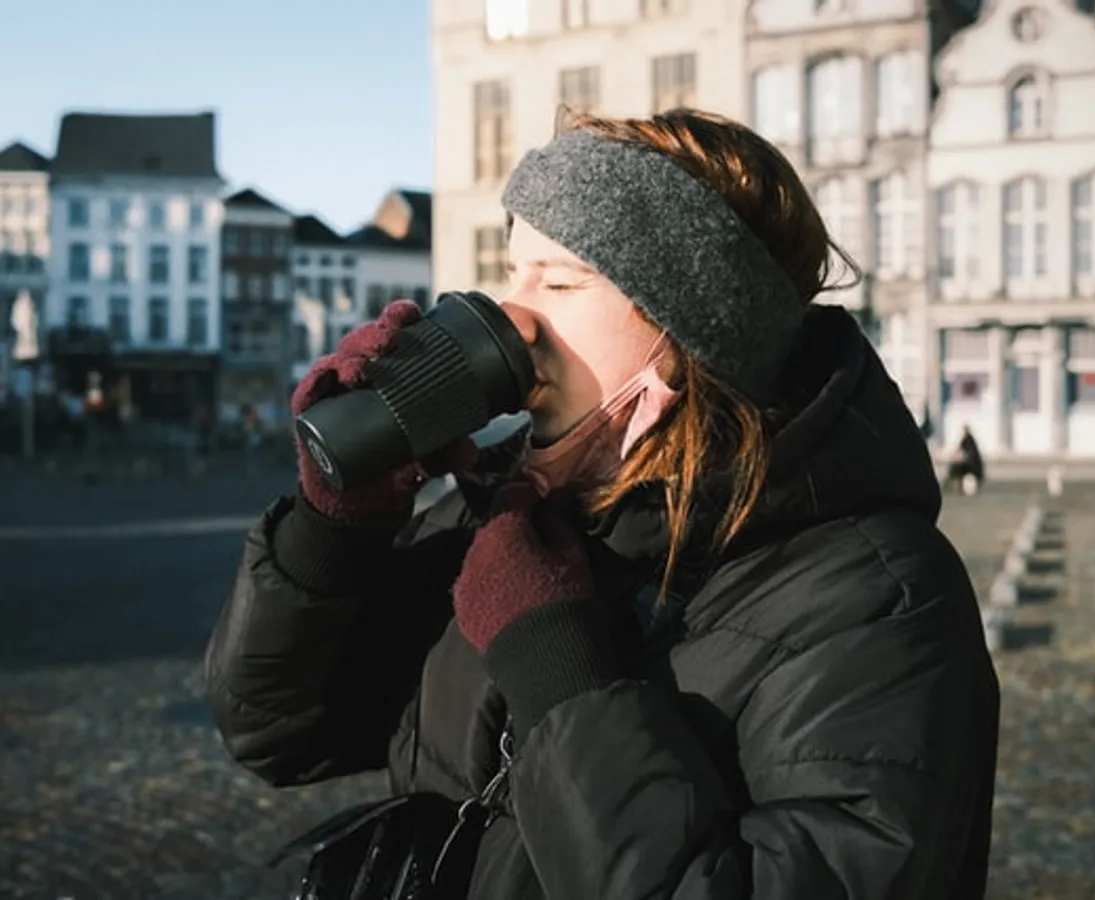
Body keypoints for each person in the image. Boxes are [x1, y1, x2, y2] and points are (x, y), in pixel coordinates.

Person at [204, 108, 999, 899]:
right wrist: (338, 529)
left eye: (559, 282)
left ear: (691, 332)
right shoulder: (510, 518)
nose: (513, 319)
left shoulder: (878, 598)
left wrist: (558, 670)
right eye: (512, 274)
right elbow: (275, 731)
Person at [947, 424, 986, 494]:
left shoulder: (970, 440)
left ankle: (958, 486)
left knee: (957, 468)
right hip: (968, 463)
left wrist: (960, 457)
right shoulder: (965, 439)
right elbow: (959, 449)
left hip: (972, 464)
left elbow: (970, 454)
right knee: (955, 466)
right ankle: (956, 485)